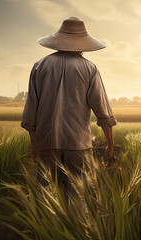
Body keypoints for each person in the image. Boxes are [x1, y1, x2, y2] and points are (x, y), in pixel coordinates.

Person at [21, 17, 117, 190]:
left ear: (58, 41)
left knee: (46, 198)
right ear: (82, 44)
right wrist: (110, 145)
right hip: (78, 144)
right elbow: (103, 110)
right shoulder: (90, 68)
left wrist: (35, 145)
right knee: (78, 198)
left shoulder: (39, 66)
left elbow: (31, 112)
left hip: (47, 142)